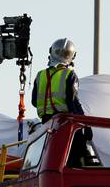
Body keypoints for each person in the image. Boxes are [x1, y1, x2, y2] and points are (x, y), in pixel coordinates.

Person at [31, 38, 92, 166]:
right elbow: (73, 103)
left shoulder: (40, 75)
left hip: (46, 126)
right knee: (78, 156)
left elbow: (34, 102)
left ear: (51, 52)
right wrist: (86, 124)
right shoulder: (69, 75)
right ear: (71, 57)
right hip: (64, 124)